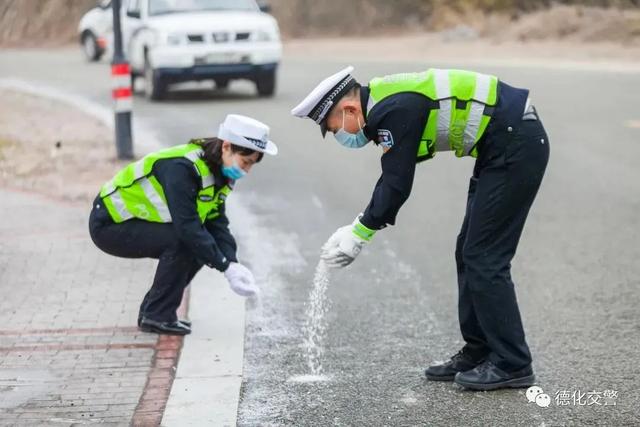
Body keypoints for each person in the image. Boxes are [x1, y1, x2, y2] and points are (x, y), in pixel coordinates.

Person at [291, 66, 549, 391]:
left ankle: (513, 363)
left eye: (335, 128)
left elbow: (397, 182)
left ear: (350, 110)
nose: (341, 136)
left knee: (484, 256)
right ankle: (480, 351)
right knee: (467, 252)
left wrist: (360, 232)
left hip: (516, 145)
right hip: (502, 144)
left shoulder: (393, 108)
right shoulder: (384, 102)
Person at [89, 114, 278, 335]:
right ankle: (157, 315)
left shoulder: (220, 175)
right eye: (245, 162)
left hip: (134, 222)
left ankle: (155, 310)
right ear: (226, 147)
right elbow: (187, 226)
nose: (246, 170)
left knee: (201, 247)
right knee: (185, 240)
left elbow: (217, 224)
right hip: (110, 224)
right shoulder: (183, 168)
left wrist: (233, 262)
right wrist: (225, 266)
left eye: (251, 165)